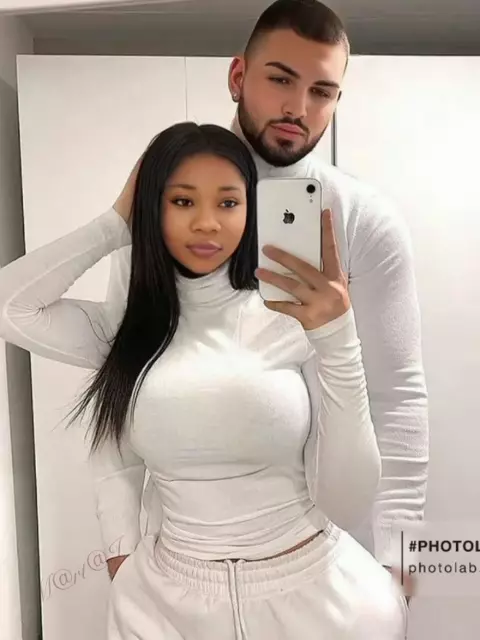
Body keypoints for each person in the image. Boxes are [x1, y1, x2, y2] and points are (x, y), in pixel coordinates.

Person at [0, 122, 407, 638]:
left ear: (251, 210)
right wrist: (115, 224)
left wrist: (338, 337)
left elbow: (349, 500)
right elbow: (11, 308)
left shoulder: (294, 318)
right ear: (152, 208)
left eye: (229, 202)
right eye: (182, 201)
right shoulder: (126, 330)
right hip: (167, 605)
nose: (207, 223)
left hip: (317, 596)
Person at [107, 0, 429, 602]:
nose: (297, 109)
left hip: (328, 545)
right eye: (281, 79)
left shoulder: (364, 221)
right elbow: (120, 367)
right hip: (187, 552)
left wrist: (401, 550)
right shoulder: (167, 204)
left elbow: (399, 393)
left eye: (322, 92)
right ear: (238, 76)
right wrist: (118, 545)